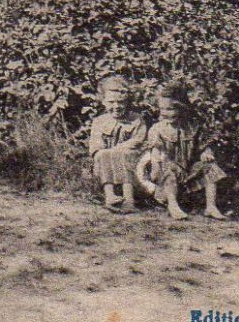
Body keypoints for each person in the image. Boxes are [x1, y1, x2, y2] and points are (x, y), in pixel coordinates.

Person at [137, 85, 228, 221]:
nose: (165, 113)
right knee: (168, 168)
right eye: (162, 109)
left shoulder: (193, 127)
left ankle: (211, 206)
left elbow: (202, 146)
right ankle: (173, 205)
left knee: (210, 166)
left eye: (170, 109)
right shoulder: (157, 129)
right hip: (165, 174)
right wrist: (156, 165)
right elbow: (156, 152)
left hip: (187, 172)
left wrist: (206, 153)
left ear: (182, 109)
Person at [87, 74, 147, 212]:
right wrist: (103, 152)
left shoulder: (137, 119)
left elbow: (138, 139)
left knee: (127, 154)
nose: (116, 106)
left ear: (127, 102)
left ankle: (129, 199)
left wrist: (120, 148)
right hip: (106, 163)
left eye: (121, 102)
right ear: (103, 101)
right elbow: (96, 144)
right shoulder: (99, 121)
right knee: (102, 154)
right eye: (111, 102)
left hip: (131, 160)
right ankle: (110, 196)